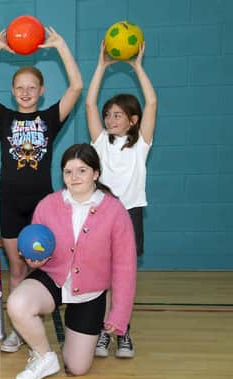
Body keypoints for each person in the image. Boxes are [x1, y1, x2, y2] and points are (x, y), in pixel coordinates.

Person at [0, 27, 83, 352]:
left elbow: (77, 86)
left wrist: (61, 45)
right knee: (18, 269)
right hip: (10, 202)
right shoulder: (4, 118)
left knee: (46, 265)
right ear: (12, 90)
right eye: (20, 87)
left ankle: (45, 321)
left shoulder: (50, 118)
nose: (25, 92)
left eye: (31, 87)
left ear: (41, 90)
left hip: (42, 204)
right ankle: (18, 329)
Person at [6, 143, 136, 379]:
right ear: (62, 174)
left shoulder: (115, 211)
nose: (74, 177)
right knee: (17, 303)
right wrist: (36, 259)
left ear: (96, 173)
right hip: (52, 279)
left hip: (89, 291)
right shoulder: (48, 205)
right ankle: (43, 356)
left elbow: (125, 268)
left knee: (77, 367)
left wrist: (119, 314)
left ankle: (74, 336)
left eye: (82, 170)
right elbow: (38, 249)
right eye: (68, 171)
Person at [86, 42, 157, 359]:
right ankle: (105, 329)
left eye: (117, 115)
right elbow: (89, 102)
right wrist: (101, 66)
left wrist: (137, 67)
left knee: (124, 276)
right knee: (103, 276)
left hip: (130, 214)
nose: (110, 119)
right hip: (102, 214)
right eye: (108, 115)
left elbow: (152, 100)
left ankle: (123, 330)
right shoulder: (100, 141)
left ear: (133, 119)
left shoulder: (141, 144)